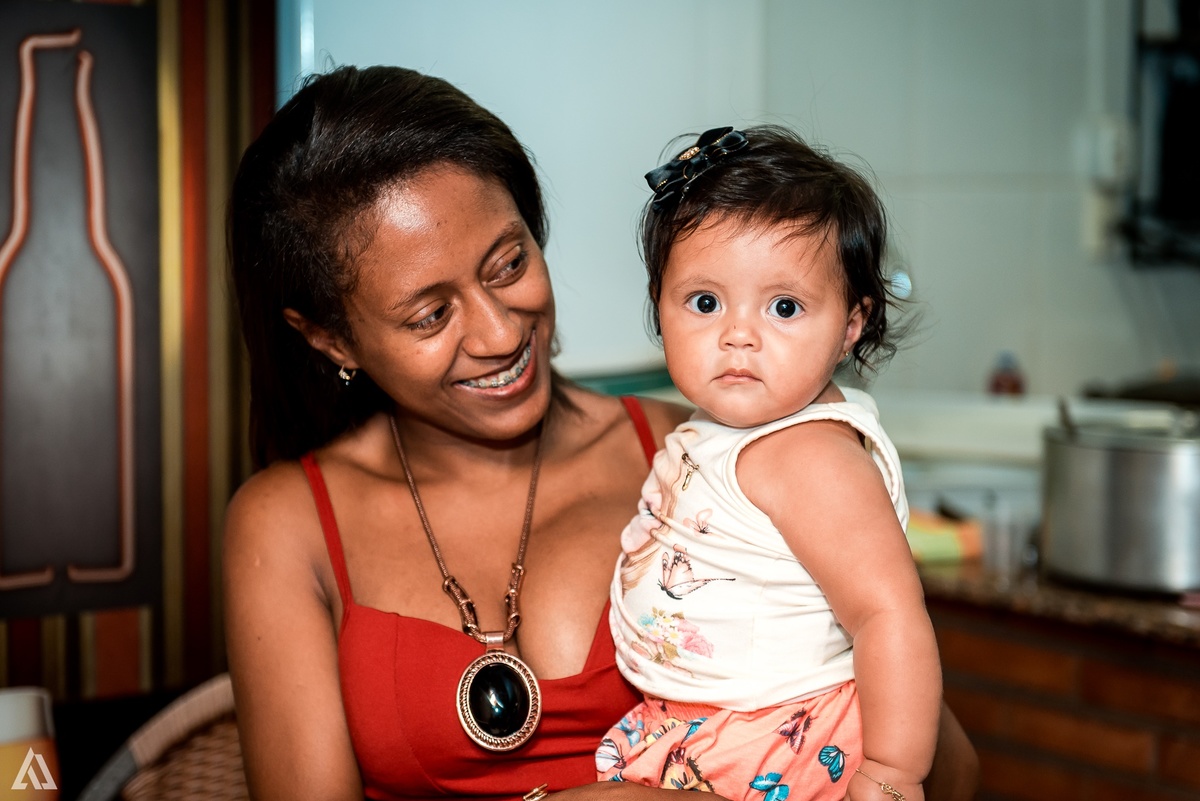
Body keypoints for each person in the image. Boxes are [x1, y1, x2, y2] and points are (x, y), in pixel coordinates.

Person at [222, 66, 978, 801]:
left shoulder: (711, 463)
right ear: (330, 339)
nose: (497, 331)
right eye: (430, 315)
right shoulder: (287, 524)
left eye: (508, 262)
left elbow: (945, 768)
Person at [598, 127, 938, 801]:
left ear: (850, 324)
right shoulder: (725, 429)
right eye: (704, 302)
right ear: (658, 307)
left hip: (784, 733)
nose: (738, 334)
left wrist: (894, 773)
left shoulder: (808, 455)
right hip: (716, 722)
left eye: (784, 306)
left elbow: (888, 613)